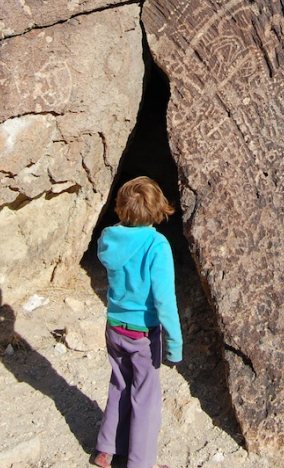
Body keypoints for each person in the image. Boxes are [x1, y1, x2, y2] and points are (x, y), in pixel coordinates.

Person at [92, 176, 183, 468]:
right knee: (145, 398)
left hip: (114, 326)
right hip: (143, 334)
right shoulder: (156, 245)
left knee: (119, 383)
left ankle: (106, 449)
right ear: (158, 209)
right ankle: (140, 462)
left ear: (120, 207)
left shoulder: (109, 238)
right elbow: (164, 299)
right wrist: (174, 343)